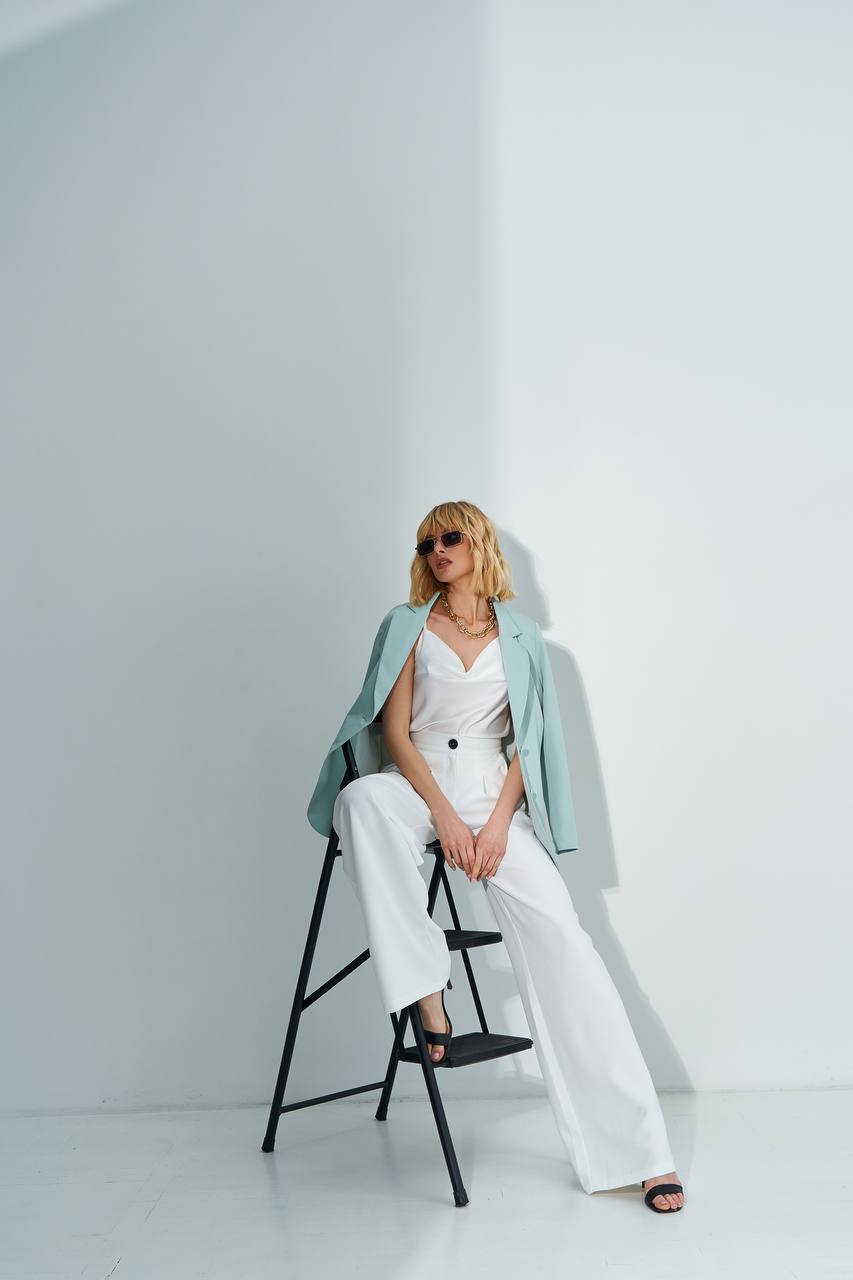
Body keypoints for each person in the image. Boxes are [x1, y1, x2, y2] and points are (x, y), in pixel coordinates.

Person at [318, 500, 685, 1213]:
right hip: (418, 784)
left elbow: (529, 741)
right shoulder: (406, 623)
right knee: (360, 805)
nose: (436, 549)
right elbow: (394, 732)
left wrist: (491, 826)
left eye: (449, 537)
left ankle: (642, 1154)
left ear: (478, 542)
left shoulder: (521, 637)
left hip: (494, 797)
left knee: (568, 948)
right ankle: (429, 995)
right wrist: (445, 821)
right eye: (426, 542)